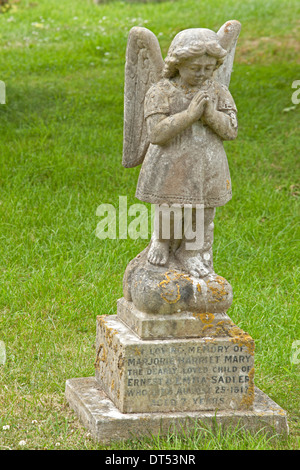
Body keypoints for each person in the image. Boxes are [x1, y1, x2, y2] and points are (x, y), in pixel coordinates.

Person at [135, 28, 238, 278]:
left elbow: (231, 130)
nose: (203, 74)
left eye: (208, 68)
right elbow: (156, 134)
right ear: (178, 64)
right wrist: (190, 115)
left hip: (208, 165)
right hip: (172, 163)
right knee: (170, 208)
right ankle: (162, 241)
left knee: (203, 214)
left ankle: (191, 252)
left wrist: (211, 115)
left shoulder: (218, 91)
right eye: (195, 68)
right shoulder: (161, 91)